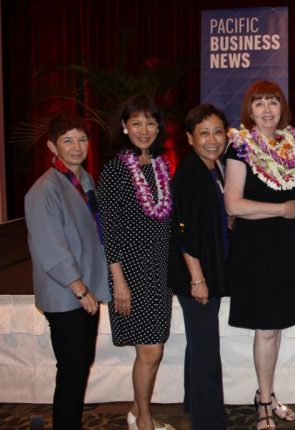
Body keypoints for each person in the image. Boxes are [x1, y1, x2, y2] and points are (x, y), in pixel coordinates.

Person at [225, 80, 295, 430]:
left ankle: (269, 393)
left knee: (276, 325)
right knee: (267, 327)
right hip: (256, 248)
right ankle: (263, 402)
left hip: (286, 244)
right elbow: (233, 203)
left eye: (273, 102)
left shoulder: (291, 145)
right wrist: (280, 210)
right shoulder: (241, 148)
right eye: (259, 103)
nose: (267, 109)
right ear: (250, 110)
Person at [24, 113, 110, 430]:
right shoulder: (44, 189)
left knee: (79, 366)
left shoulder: (84, 181)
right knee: (72, 368)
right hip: (67, 295)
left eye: (82, 139)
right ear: (52, 145)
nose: (76, 147)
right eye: (67, 141)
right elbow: (51, 246)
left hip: (84, 291)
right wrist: (80, 288)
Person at [98, 94, 174, 430]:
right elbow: (109, 230)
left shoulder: (159, 166)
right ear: (125, 127)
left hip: (159, 271)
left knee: (153, 349)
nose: (145, 130)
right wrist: (119, 282)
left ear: (159, 127)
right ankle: (143, 420)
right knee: (151, 351)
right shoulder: (116, 170)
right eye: (137, 123)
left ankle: (135, 410)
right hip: (131, 272)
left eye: (151, 123)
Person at [168, 104, 230, 429]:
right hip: (195, 276)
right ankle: (209, 422)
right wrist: (197, 278)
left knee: (199, 343)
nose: (211, 139)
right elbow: (182, 229)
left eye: (217, 132)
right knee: (207, 349)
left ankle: (195, 403)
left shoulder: (214, 168)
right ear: (190, 138)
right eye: (203, 133)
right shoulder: (190, 173)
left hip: (207, 270)